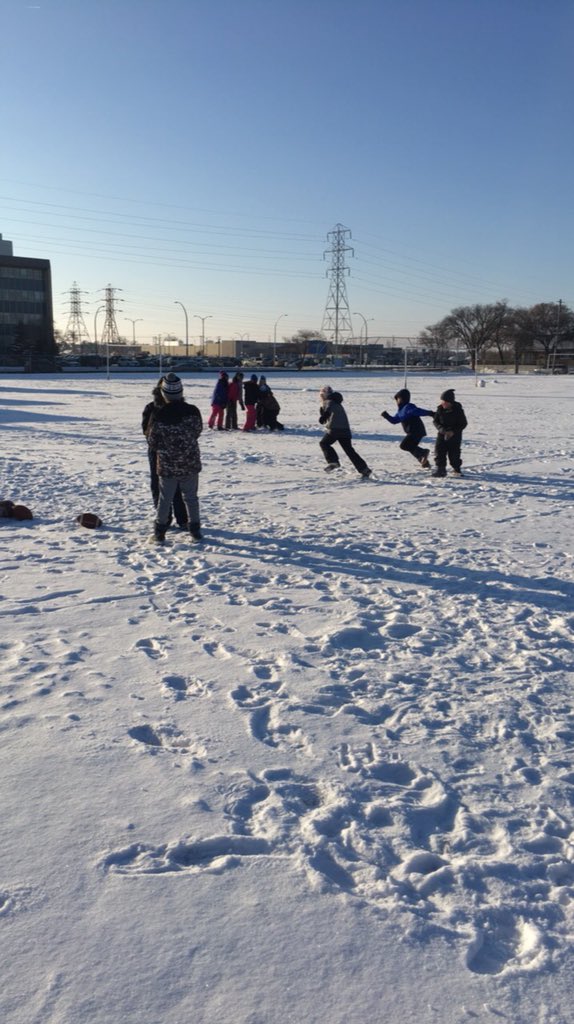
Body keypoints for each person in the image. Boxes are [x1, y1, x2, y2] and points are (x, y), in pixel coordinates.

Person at [146, 373, 203, 543]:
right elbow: (197, 431)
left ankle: (159, 532)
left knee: (165, 499)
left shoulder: (158, 414)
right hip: (190, 463)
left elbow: (152, 441)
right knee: (191, 498)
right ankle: (195, 531)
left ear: (163, 393)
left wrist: (166, 449)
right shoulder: (193, 411)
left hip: (167, 466)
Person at [142, 378, 188, 528]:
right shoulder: (152, 408)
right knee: (159, 484)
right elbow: (146, 430)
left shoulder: (181, 408)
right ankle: (165, 517)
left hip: (173, 451)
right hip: (158, 451)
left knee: (176, 484)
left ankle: (181, 518)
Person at [319, 385, 371, 477]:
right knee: (349, 450)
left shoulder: (329, 401)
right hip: (345, 430)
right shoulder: (337, 401)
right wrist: (324, 414)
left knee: (324, 443)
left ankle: (333, 461)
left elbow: (328, 409)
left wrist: (324, 416)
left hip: (335, 429)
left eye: (321, 395)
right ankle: (364, 469)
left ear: (324, 395)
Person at [381, 388, 434, 468]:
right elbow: (394, 420)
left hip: (416, 431)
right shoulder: (401, 411)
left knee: (404, 445)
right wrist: (386, 416)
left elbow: (417, 411)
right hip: (415, 432)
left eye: (398, 398)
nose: (397, 401)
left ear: (403, 398)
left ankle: (423, 452)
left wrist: (430, 413)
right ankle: (423, 461)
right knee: (411, 447)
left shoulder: (408, 407)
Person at [432, 388, 468, 477]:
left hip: (454, 435)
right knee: (439, 451)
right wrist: (442, 429)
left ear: (450, 402)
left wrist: (453, 431)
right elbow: (435, 421)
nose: (442, 403)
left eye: (444, 402)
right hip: (442, 434)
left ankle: (456, 469)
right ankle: (441, 469)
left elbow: (463, 424)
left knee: (454, 454)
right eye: (442, 401)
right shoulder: (440, 409)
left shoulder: (458, 410)